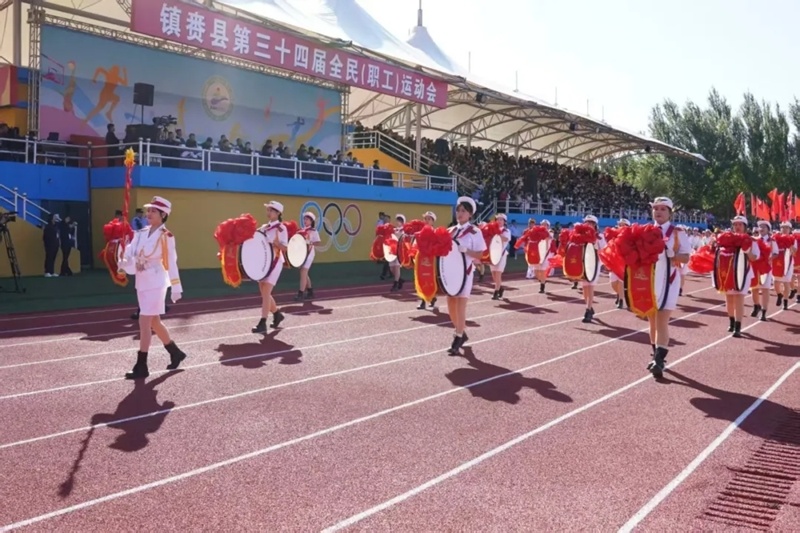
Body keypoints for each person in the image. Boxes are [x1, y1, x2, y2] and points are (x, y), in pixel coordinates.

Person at [118, 196, 186, 379]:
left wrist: (176, 286)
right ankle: (175, 352)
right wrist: (123, 259)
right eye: (148, 210)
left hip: (156, 282)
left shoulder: (166, 237)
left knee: (144, 322)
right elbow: (131, 251)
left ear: (163, 215)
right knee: (154, 321)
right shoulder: (141, 233)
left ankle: (142, 365)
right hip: (142, 281)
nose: (149, 213)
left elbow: (171, 262)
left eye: (153, 211)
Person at [644, 197, 691, 379]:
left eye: (663, 209)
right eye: (656, 208)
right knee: (652, 321)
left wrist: (673, 255)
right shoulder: (646, 231)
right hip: (649, 281)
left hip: (669, 281)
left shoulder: (677, 233)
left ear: (670, 213)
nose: (658, 212)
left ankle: (659, 360)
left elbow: (686, 257)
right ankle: (655, 353)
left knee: (662, 319)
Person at [447, 196, 486, 355]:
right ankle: (461, 331)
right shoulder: (451, 230)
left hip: (465, 271)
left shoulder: (475, 231)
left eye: (463, 211)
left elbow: (481, 254)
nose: (460, 213)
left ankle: (458, 336)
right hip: (450, 272)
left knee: (461, 305)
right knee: (450, 305)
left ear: (470, 214)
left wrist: (467, 251)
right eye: (458, 210)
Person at [252, 201, 289, 333]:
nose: (268, 213)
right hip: (264, 263)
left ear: (278, 213)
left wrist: (277, 244)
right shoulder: (264, 227)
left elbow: (285, 248)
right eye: (267, 210)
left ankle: (263, 322)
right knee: (263, 292)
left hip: (275, 262)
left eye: (271, 210)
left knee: (266, 291)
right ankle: (277, 314)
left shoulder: (281, 228)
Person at [720, 215, 759, 339]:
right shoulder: (726, 239)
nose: (737, 227)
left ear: (745, 227)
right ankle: (731, 322)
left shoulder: (751, 240)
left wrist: (747, 250)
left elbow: (754, 257)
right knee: (729, 299)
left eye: (740, 224)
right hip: (728, 272)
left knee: (739, 298)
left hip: (743, 273)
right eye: (735, 224)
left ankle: (738, 326)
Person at [578, 215, 607, 323]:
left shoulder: (599, 236)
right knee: (584, 288)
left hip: (594, 263)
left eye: (591, 222)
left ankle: (588, 310)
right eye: (587, 222)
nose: (589, 224)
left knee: (590, 287)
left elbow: (604, 249)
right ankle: (589, 306)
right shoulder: (580, 235)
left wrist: (596, 253)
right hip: (583, 264)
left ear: (595, 224)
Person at [750, 220, 778, 321]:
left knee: (765, 289)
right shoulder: (754, 240)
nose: (761, 229)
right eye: (760, 227)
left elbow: (776, 252)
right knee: (754, 288)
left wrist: (770, 258)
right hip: (755, 267)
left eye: (764, 227)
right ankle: (756, 305)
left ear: (768, 229)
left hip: (766, 268)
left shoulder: (772, 241)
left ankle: (764, 311)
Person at [294, 211, 322, 301]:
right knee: (304, 273)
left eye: (307, 219)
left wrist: (310, 242)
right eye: (304, 219)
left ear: (311, 221)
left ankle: (300, 293)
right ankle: (310, 291)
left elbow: (318, 242)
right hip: (302, 253)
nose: (305, 221)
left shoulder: (313, 231)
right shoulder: (301, 230)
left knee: (303, 272)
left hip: (309, 254)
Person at [416, 211, 438, 310]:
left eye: (429, 219)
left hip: (431, 258)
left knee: (430, 279)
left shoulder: (435, 232)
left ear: (433, 221)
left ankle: (431, 297)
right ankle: (423, 300)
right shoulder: (420, 232)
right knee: (421, 278)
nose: (427, 220)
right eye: (426, 218)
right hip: (421, 257)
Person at [774, 221, 797, 311]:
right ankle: (779, 294)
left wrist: (789, 244)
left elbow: (794, 252)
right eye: (782, 227)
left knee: (786, 282)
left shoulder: (793, 239)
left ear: (790, 230)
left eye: (786, 228)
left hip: (787, 263)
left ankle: (785, 301)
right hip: (777, 263)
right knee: (776, 282)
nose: (784, 229)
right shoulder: (775, 237)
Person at [608, 218, 630, 308]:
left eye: (624, 225)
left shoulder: (630, 236)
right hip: (614, 261)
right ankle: (619, 294)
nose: (621, 226)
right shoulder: (613, 234)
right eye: (620, 224)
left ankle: (621, 300)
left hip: (624, 262)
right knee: (613, 283)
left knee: (621, 281)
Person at [489, 214, 511, 300]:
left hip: (501, 254)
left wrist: (496, 233)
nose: (499, 221)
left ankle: (496, 293)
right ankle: (500, 288)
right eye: (498, 219)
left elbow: (505, 239)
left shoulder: (506, 230)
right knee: (494, 274)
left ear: (504, 222)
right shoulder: (491, 230)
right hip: (493, 254)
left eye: (501, 220)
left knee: (498, 274)